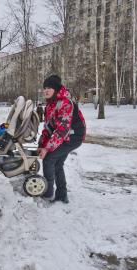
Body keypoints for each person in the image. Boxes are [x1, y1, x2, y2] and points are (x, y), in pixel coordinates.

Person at [38, 75, 86, 203]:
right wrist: (41, 144)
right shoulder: (49, 105)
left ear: (56, 89)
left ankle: (47, 194)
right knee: (57, 163)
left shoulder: (65, 103)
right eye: (44, 88)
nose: (46, 90)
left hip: (74, 136)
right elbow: (48, 128)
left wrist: (47, 148)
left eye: (49, 88)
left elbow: (61, 130)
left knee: (49, 159)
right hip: (65, 136)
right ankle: (62, 195)